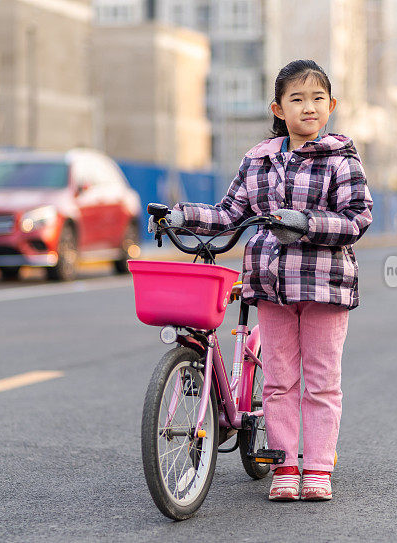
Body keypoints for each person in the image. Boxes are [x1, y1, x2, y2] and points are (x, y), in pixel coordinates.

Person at [149, 59, 373, 501]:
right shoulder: (258, 160)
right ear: (278, 107)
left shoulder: (341, 159)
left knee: (322, 380)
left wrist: (304, 222)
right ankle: (286, 463)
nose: (308, 107)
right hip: (270, 284)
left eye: (317, 99)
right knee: (279, 380)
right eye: (297, 99)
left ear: (332, 105)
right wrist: (181, 215)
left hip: (324, 285)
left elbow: (357, 218)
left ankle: (319, 468)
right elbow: (230, 213)